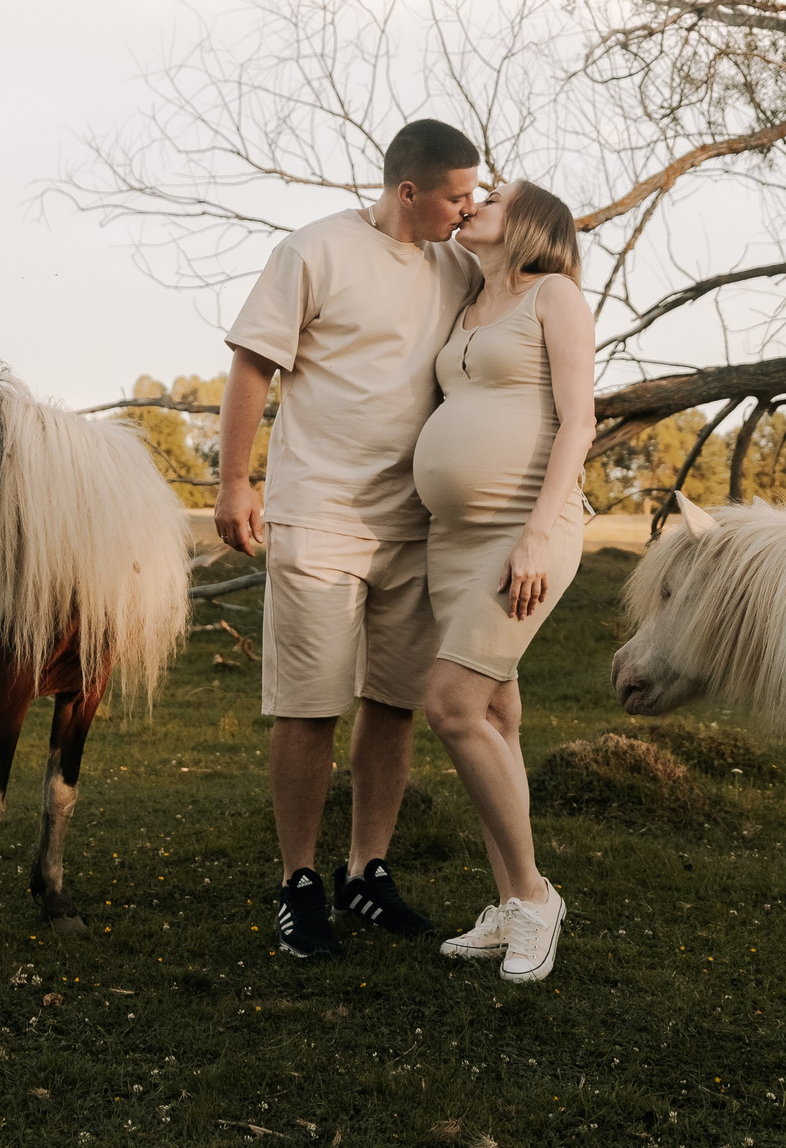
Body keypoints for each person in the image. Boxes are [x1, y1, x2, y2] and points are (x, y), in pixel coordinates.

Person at [217, 120, 483, 959]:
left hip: (416, 523)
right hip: (320, 513)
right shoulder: (313, 252)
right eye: (456, 196)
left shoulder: (462, 267)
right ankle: (299, 883)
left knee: (395, 705)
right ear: (409, 191)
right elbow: (253, 367)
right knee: (309, 705)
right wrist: (233, 482)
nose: (467, 209)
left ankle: (366, 872)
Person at [412, 180, 593, 984]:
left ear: (529, 222)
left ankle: (533, 898)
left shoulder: (554, 295)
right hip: (452, 541)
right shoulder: (466, 306)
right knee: (495, 714)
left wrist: (535, 536)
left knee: (451, 706)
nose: (474, 200)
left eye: (494, 194)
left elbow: (579, 419)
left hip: (525, 529)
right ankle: (511, 902)